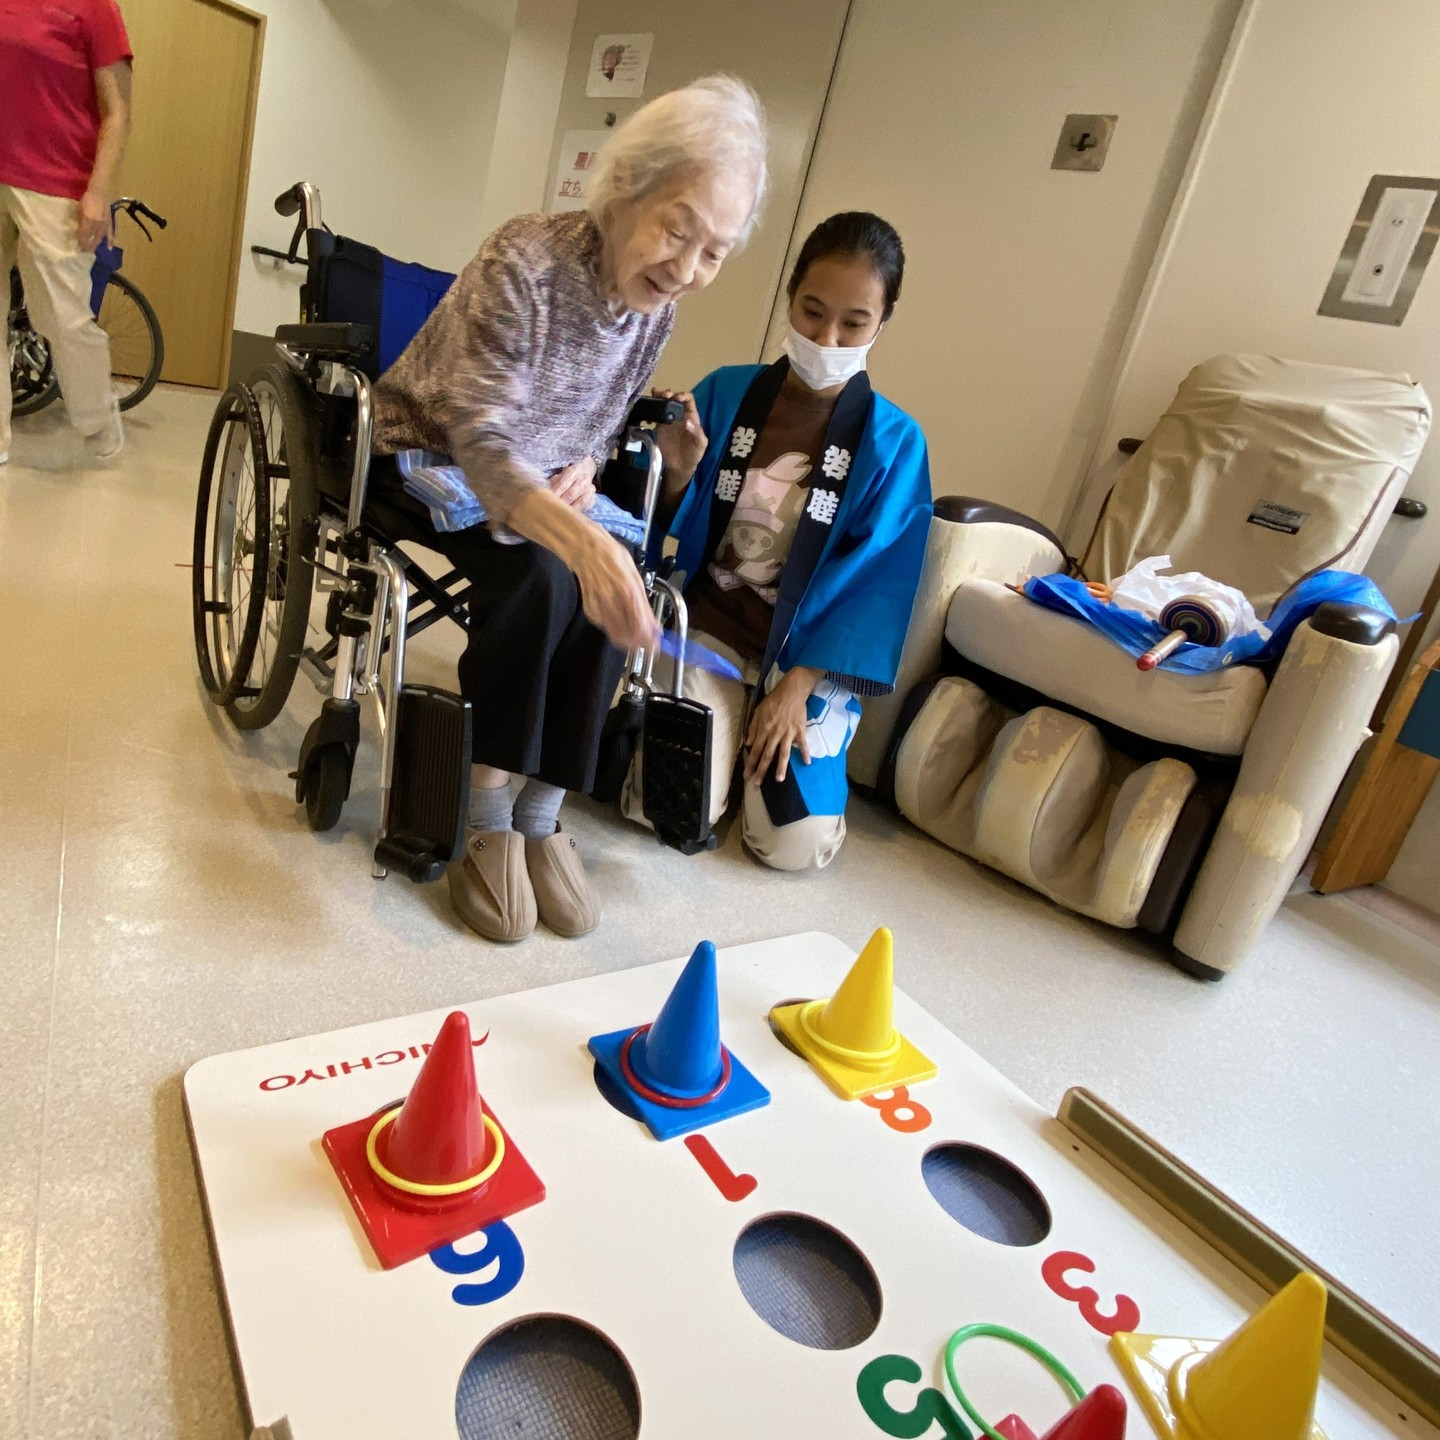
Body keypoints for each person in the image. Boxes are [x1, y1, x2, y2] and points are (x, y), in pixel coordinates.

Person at [371, 75, 768, 943]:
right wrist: (587, 546)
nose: (688, 269)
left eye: (715, 251)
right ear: (624, 188)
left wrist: (589, 463)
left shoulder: (653, 310)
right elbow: (477, 437)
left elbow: (603, 409)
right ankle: (485, 809)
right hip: (437, 449)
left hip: (548, 472)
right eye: (678, 228)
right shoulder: (526, 260)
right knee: (552, 577)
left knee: (612, 576)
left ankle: (543, 812)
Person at [623, 213, 932, 869]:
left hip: (805, 658)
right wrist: (675, 470)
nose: (826, 336)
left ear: (885, 319)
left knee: (789, 845)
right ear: (789, 295)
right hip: (712, 630)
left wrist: (798, 685)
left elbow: (878, 584)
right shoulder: (727, 393)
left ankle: (777, 746)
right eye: (812, 311)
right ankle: (726, 737)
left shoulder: (895, 443)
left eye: (853, 322)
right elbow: (657, 525)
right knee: (661, 806)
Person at [0, 0, 133, 466]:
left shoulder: (94, 7)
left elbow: (118, 112)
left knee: (62, 315)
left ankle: (98, 417)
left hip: (55, 180)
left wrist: (98, 192)